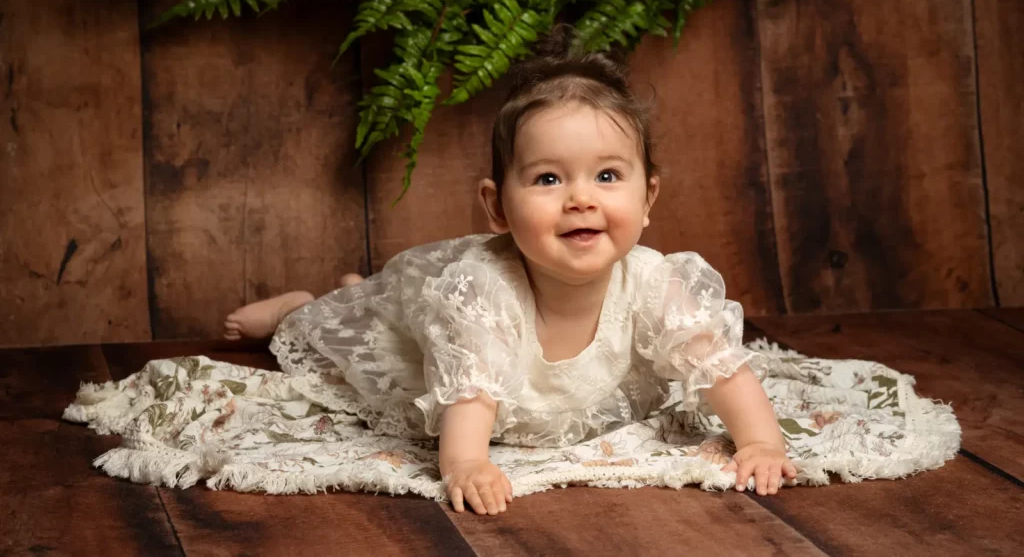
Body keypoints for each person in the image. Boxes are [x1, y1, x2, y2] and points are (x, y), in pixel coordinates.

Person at [223, 28, 797, 515]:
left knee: (378, 308)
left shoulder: (657, 283)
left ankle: (358, 291)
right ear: (498, 206)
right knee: (368, 334)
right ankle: (299, 308)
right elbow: (469, 401)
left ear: (648, 198)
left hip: (460, 321)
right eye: (548, 179)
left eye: (606, 176)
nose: (580, 199)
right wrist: (468, 462)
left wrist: (761, 442)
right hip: (443, 321)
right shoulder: (481, 292)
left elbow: (724, 373)